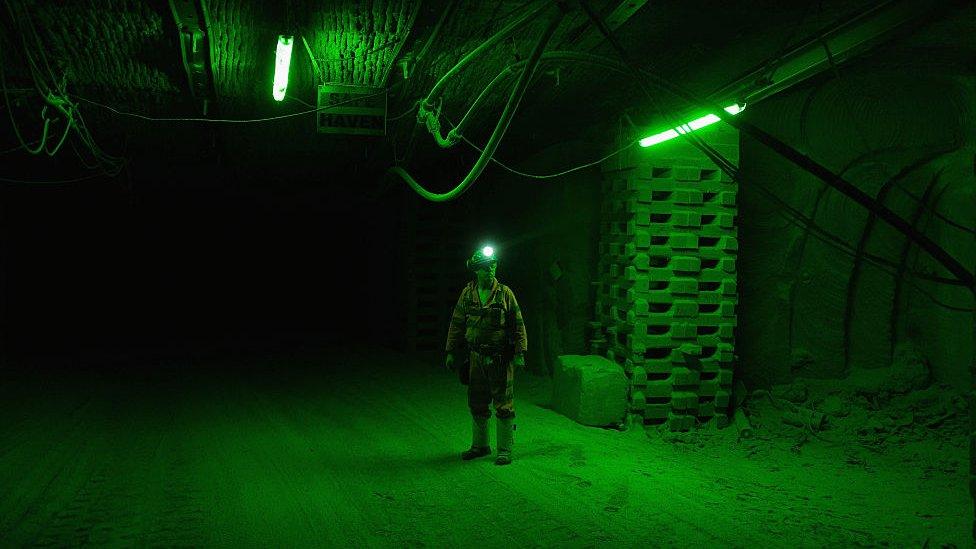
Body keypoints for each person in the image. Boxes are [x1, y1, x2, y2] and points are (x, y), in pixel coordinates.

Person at [445, 245, 527, 465]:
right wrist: (451, 351)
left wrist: (520, 353)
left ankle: (504, 449)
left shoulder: (505, 294)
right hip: (476, 358)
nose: (489, 270)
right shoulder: (468, 293)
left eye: (492, 265)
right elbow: (457, 322)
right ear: (475, 270)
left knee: (504, 404)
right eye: (484, 267)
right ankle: (480, 446)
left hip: (500, 358)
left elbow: (518, 324)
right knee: (477, 402)